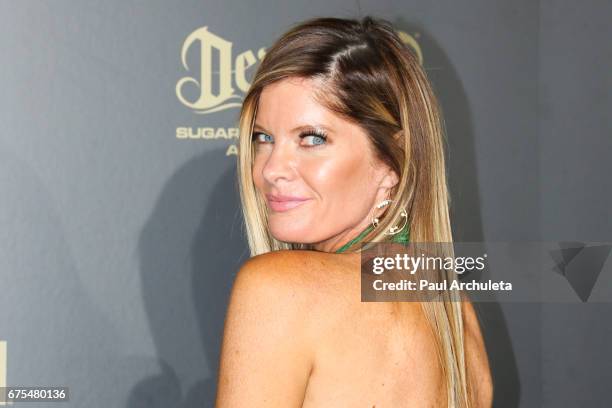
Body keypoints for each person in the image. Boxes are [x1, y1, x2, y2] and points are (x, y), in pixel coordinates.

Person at [215, 16, 493, 407]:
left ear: (391, 162)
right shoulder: (452, 310)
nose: (271, 169)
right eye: (264, 137)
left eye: (311, 139)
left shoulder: (279, 288)